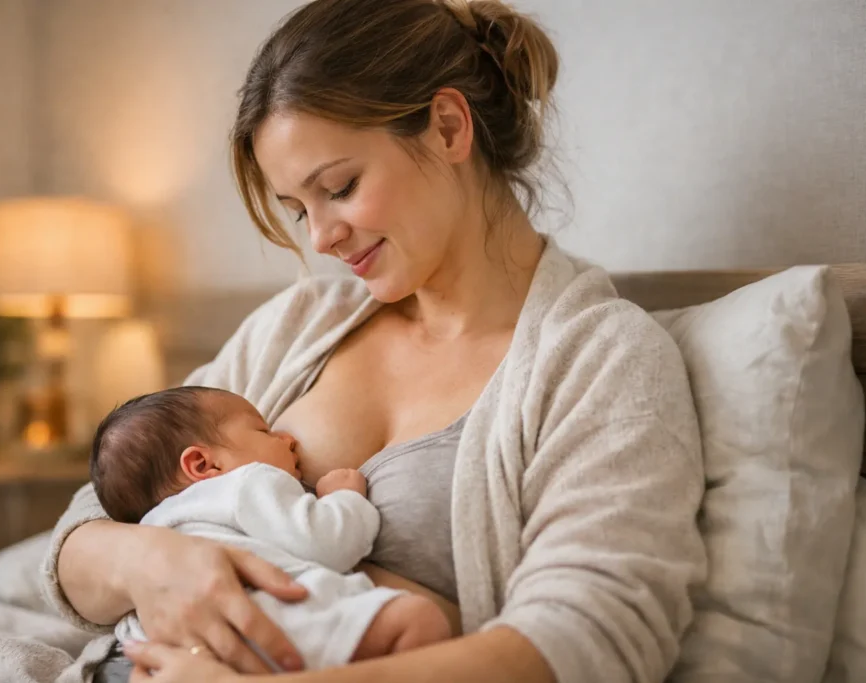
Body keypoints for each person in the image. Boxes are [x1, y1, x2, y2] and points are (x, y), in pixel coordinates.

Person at [42, 0, 708, 682]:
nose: (320, 237)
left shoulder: (602, 360)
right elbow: (84, 532)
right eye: (299, 209)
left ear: (449, 127)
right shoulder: (296, 326)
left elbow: (596, 640)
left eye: (340, 186)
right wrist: (154, 562)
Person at [91, 385, 451, 669]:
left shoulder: (153, 524)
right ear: (203, 464)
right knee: (419, 621)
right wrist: (344, 498)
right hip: (266, 628)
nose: (287, 439)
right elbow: (329, 545)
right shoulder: (246, 483)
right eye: (263, 430)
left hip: (148, 651)